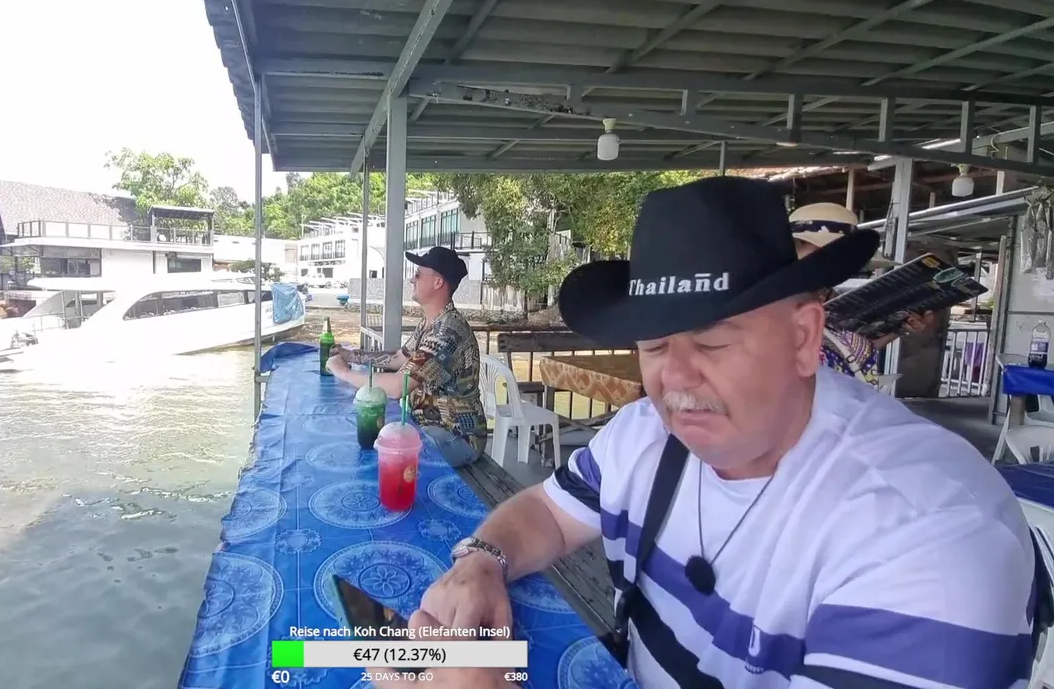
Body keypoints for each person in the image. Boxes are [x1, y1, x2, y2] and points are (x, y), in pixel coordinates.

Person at [370, 177, 1038, 689]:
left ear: (803, 337)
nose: (676, 378)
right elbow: (547, 511)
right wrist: (484, 559)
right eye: (655, 344)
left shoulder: (926, 535)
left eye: (713, 339)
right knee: (348, 648)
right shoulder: (644, 436)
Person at [326, 246, 487, 468]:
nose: (412, 279)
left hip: (457, 436)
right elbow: (399, 357)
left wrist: (343, 372)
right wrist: (352, 356)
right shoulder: (430, 323)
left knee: (386, 456)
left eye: (418, 274)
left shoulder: (447, 332)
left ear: (438, 282)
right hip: (426, 426)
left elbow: (397, 387)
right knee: (374, 438)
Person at [789, 202, 934, 387]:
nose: (831, 268)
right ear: (792, 249)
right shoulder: (768, 302)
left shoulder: (829, 296)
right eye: (821, 256)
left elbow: (851, 353)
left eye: (842, 261)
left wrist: (899, 327)